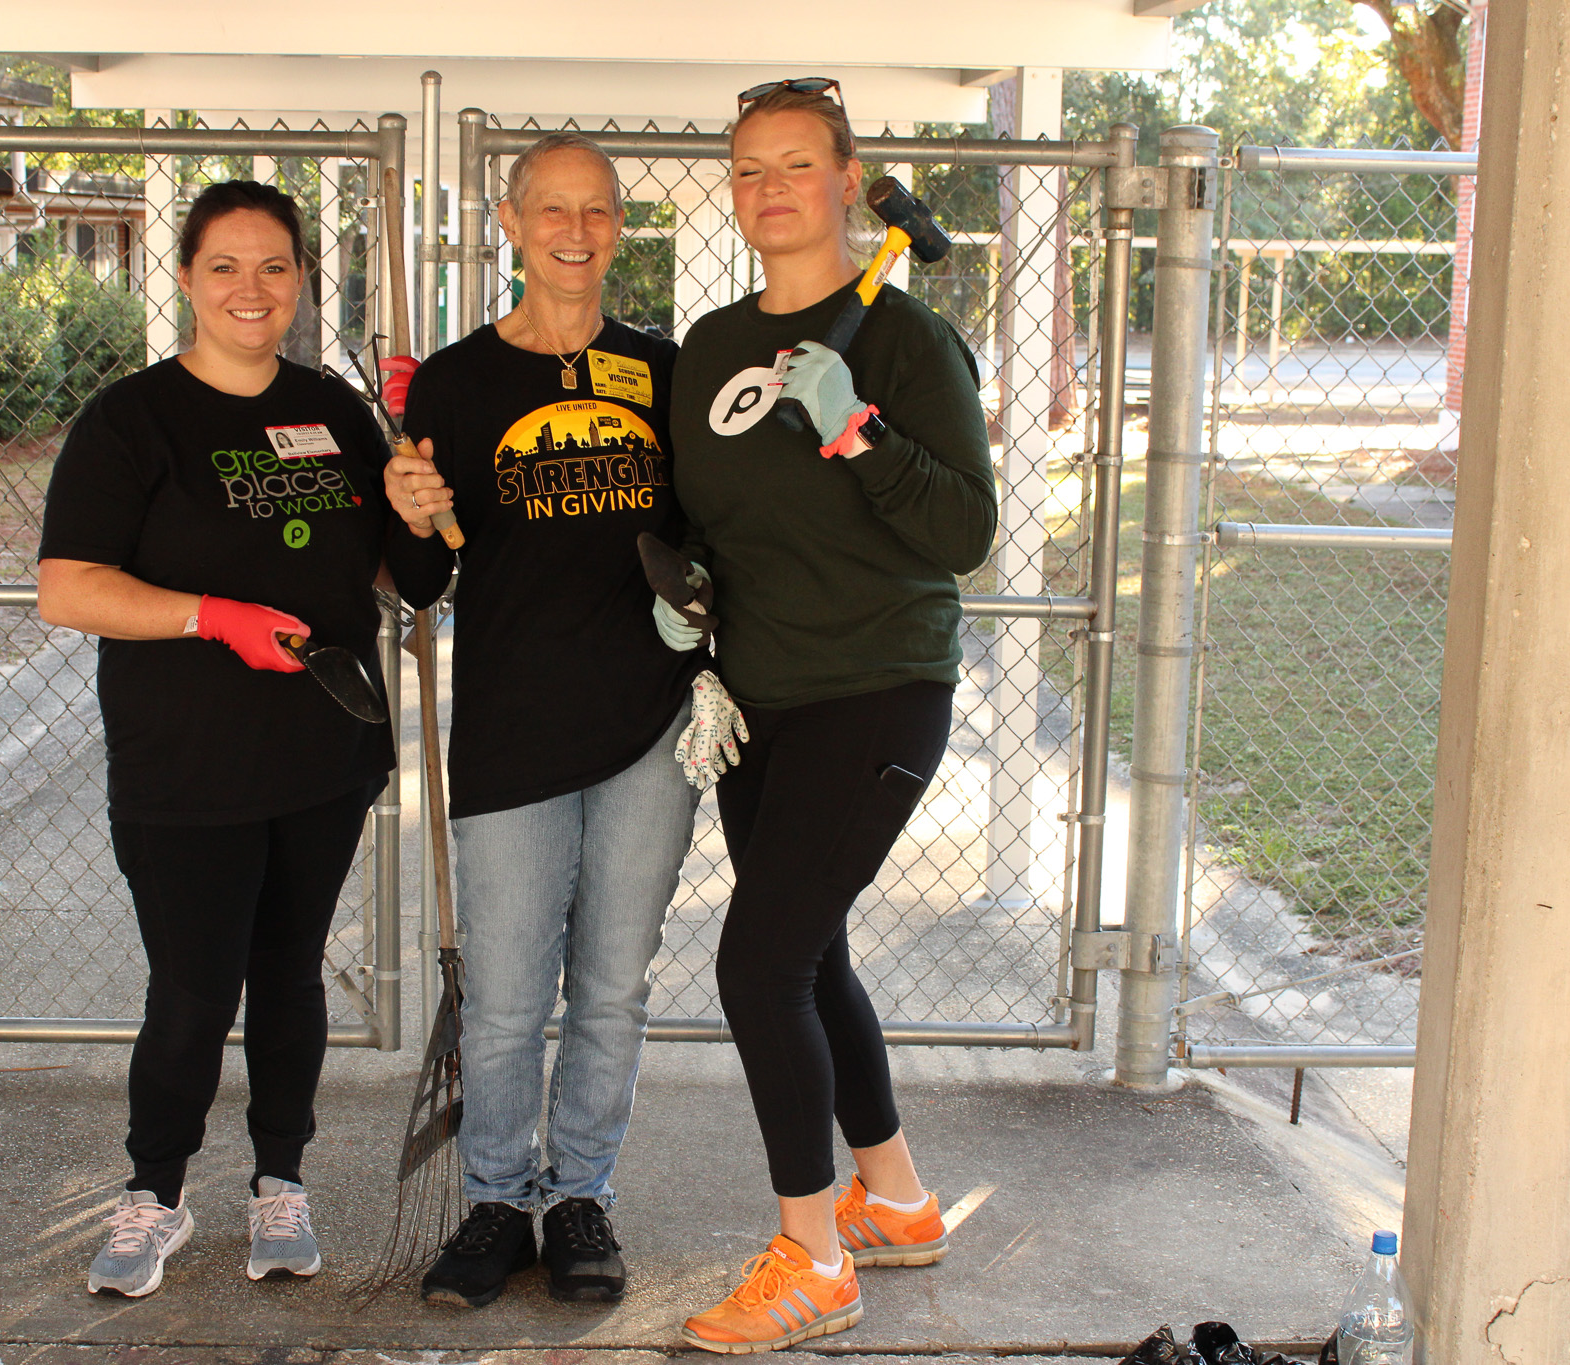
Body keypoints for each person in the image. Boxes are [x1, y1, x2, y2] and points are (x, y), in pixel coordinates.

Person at [37, 180, 428, 1298]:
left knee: (287, 976)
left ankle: (279, 1181)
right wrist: (213, 617)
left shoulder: (339, 412)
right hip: (184, 764)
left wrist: (412, 498)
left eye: (272, 268)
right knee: (194, 993)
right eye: (224, 267)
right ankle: (153, 1195)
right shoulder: (133, 420)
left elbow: (386, 566)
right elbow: (67, 589)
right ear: (185, 278)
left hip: (320, 752)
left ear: (301, 279)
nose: (250, 290)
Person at [662, 80, 999, 1352]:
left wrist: (854, 429)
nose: (768, 189)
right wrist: (678, 593)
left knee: (758, 964)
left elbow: (960, 532)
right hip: (756, 700)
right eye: (747, 169)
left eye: (795, 165)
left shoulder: (905, 343)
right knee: (813, 957)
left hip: (875, 690)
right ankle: (898, 1201)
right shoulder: (705, 346)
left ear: (849, 182)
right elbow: (703, 516)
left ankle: (814, 1257)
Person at [384, 131, 725, 1309]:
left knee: (614, 982)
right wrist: (411, 512)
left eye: (597, 211)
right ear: (511, 220)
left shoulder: (666, 370)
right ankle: (493, 1201)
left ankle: (579, 1196)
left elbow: (716, 540)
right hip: (513, 732)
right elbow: (421, 583)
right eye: (551, 210)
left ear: (617, 228)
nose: (574, 232)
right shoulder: (456, 382)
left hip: (649, 728)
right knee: (508, 988)